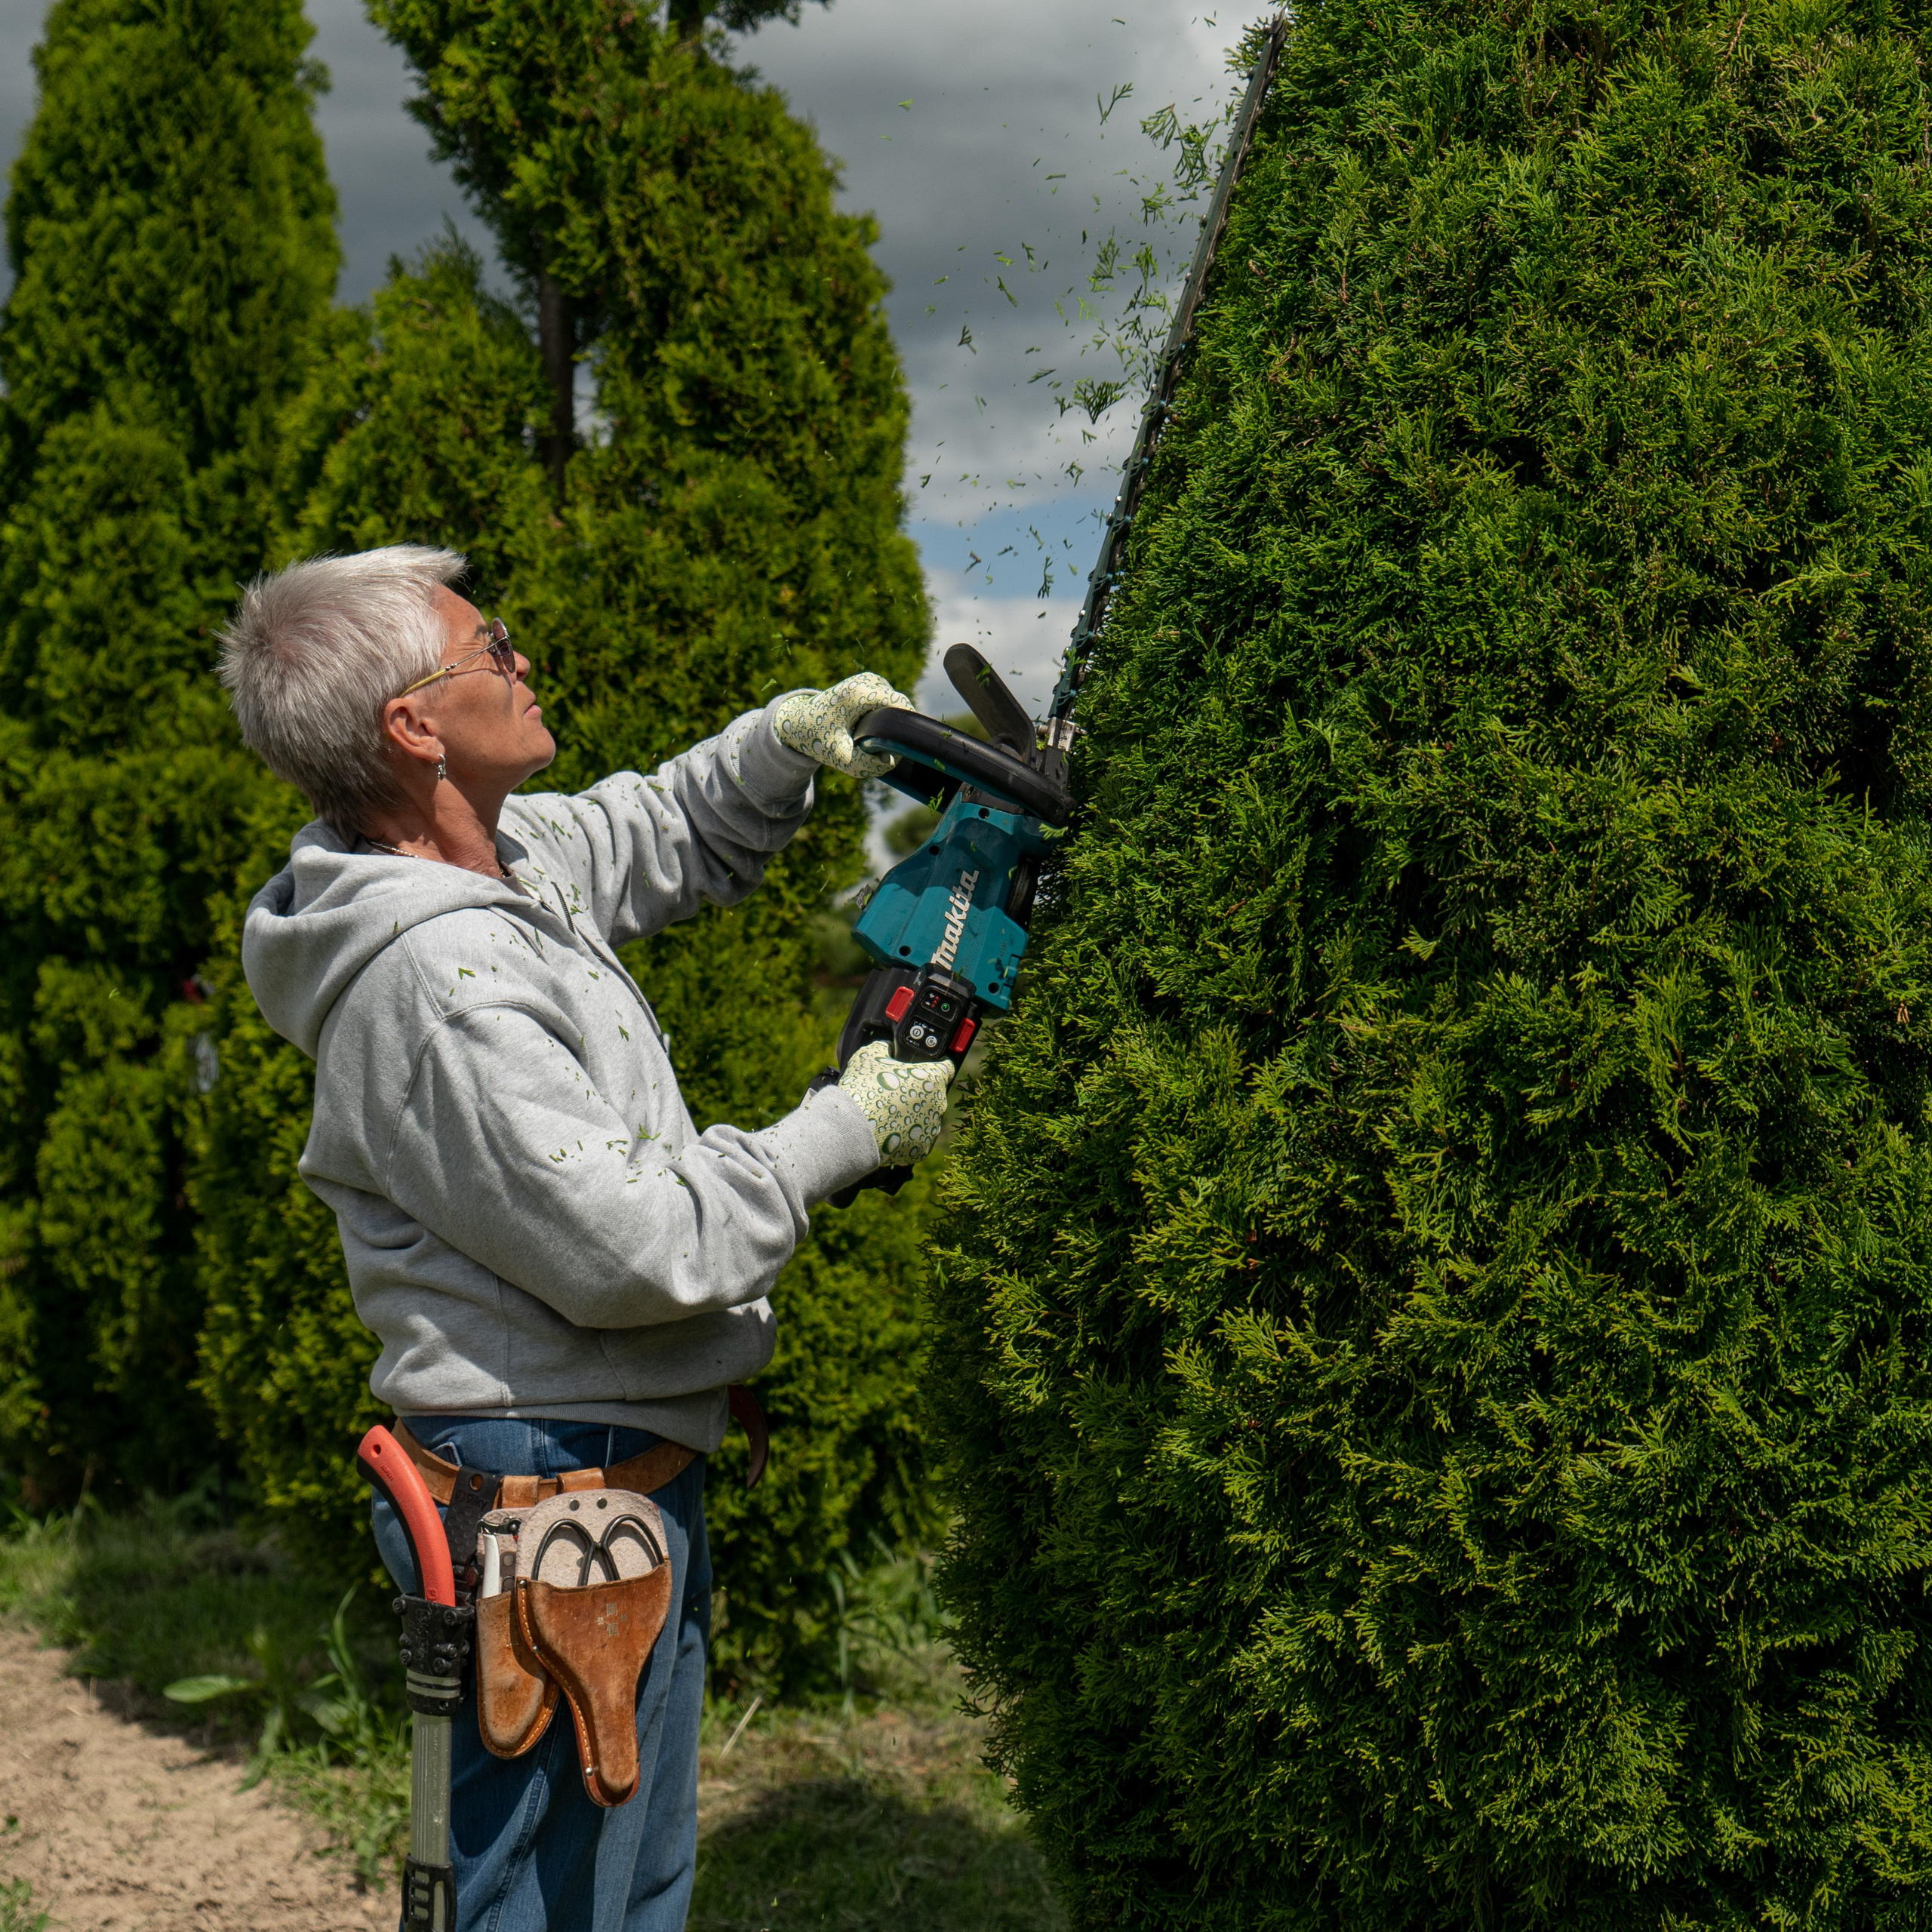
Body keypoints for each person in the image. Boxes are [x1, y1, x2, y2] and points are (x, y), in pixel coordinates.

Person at [220, 544, 952, 1930]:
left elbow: (651, 828)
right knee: (558, 1905)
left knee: (628, 1881)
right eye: (490, 644)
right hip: (551, 1488)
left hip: (597, 1471)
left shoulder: (495, 864)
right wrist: (852, 1124)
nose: (522, 655)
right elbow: (639, 1246)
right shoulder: (438, 982)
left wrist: (785, 743)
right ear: (413, 726)